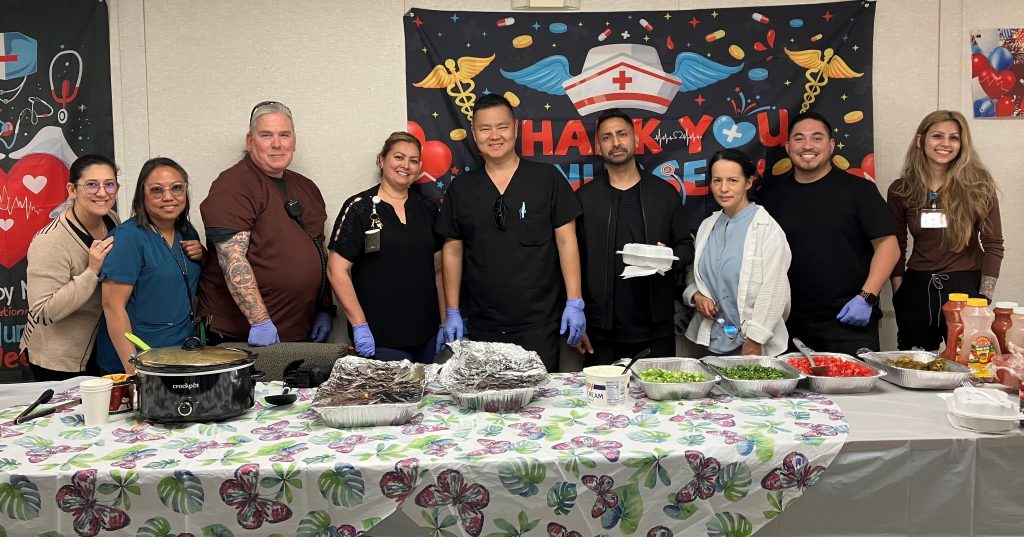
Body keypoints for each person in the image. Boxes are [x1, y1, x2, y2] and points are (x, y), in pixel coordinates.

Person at [436, 94, 584, 371]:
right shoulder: (461, 189)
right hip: (482, 327)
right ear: (474, 134)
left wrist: (575, 301)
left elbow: (566, 241)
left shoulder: (547, 179)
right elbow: (453, 251)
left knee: (538, 408)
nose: (494, 135)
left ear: (516, 129)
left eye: (502, 126)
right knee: (488, 407)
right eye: (485, 128)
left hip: (539, 324)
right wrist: (452, 311)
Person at [760, 111, 899, 355]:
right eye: (799, 139)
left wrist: (866, 298)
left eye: (817, 138)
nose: (807, 146)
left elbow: (889, 246)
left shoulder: (860, 190)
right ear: (787, 146)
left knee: (853, 392)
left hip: (847, 323)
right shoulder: (770, 196)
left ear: (831, 145)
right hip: (787, 325)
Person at [197, 101, 334, 346]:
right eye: (266, 135)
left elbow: (318, 249)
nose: (277, 144)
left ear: (294, 140)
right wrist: (259, 321)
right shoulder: (233, 185)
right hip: (242, 337)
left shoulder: (307, 188)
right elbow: (232, 258)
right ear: (250, 141)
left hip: (297, 333)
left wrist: (325, 307)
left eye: (284, 135)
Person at [574, 108, 693, 364]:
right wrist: (578, 318)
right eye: (606, 137)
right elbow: (573, 261)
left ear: (636, 139)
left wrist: (669, 257)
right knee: (600, 404)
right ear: (599, 146)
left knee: (662, 403)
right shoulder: (585, 199)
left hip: (656, 329)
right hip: (600, 331)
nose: (616, 143)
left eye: (622, 134)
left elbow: (686, 246)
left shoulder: (664, 194)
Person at [887, 110, 1003, 350]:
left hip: (965, 288)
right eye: (937, 136)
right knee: (915, 365)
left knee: (968, 363)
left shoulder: (979, 186)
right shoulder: (901, 189)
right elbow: (895, 246)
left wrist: (983, 299)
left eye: (954, 138)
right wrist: (899, 294)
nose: (945, 144)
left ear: (962, 144)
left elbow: (993, 245)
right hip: (917, 288)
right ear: (921, 140)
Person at [327, 132, 444, 363]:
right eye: (399, 157)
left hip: (426, 335)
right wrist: (359, 325)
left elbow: (438, 271)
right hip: (378, 337)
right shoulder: (359, 208)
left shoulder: (427, 209)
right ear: (382, 160)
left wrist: (443, 321)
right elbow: (336, 270)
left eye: (413, 160)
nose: (406, 165)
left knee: (427, 398)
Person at [99, 158, 205, 374]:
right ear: (142, 195)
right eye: (157, 190)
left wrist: (205, 257)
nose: (168, 197)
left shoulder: (187, 233)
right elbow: (113, 307)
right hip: (139, 358)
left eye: (177, 188)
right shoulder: (128, 239)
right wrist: (133, 370)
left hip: (181, 355)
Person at [20, 155, 120, 380]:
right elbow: (43, 311)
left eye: (109, 184)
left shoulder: (112, 220)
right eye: (91, 184)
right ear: (72, 189)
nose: (103, 193)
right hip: (59, 358)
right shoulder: (50, 240)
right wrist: (91, 272)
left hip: (100, 348)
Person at [683, 150, 791, 356]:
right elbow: (694, 272)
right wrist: (696, 295)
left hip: (752, 346)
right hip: (712, 342)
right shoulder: (708, 226)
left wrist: (755, 340)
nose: (724, 188)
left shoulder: (767, 228)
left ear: (748, 182)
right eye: (717, 180)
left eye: (733, 180)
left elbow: (775, 289)